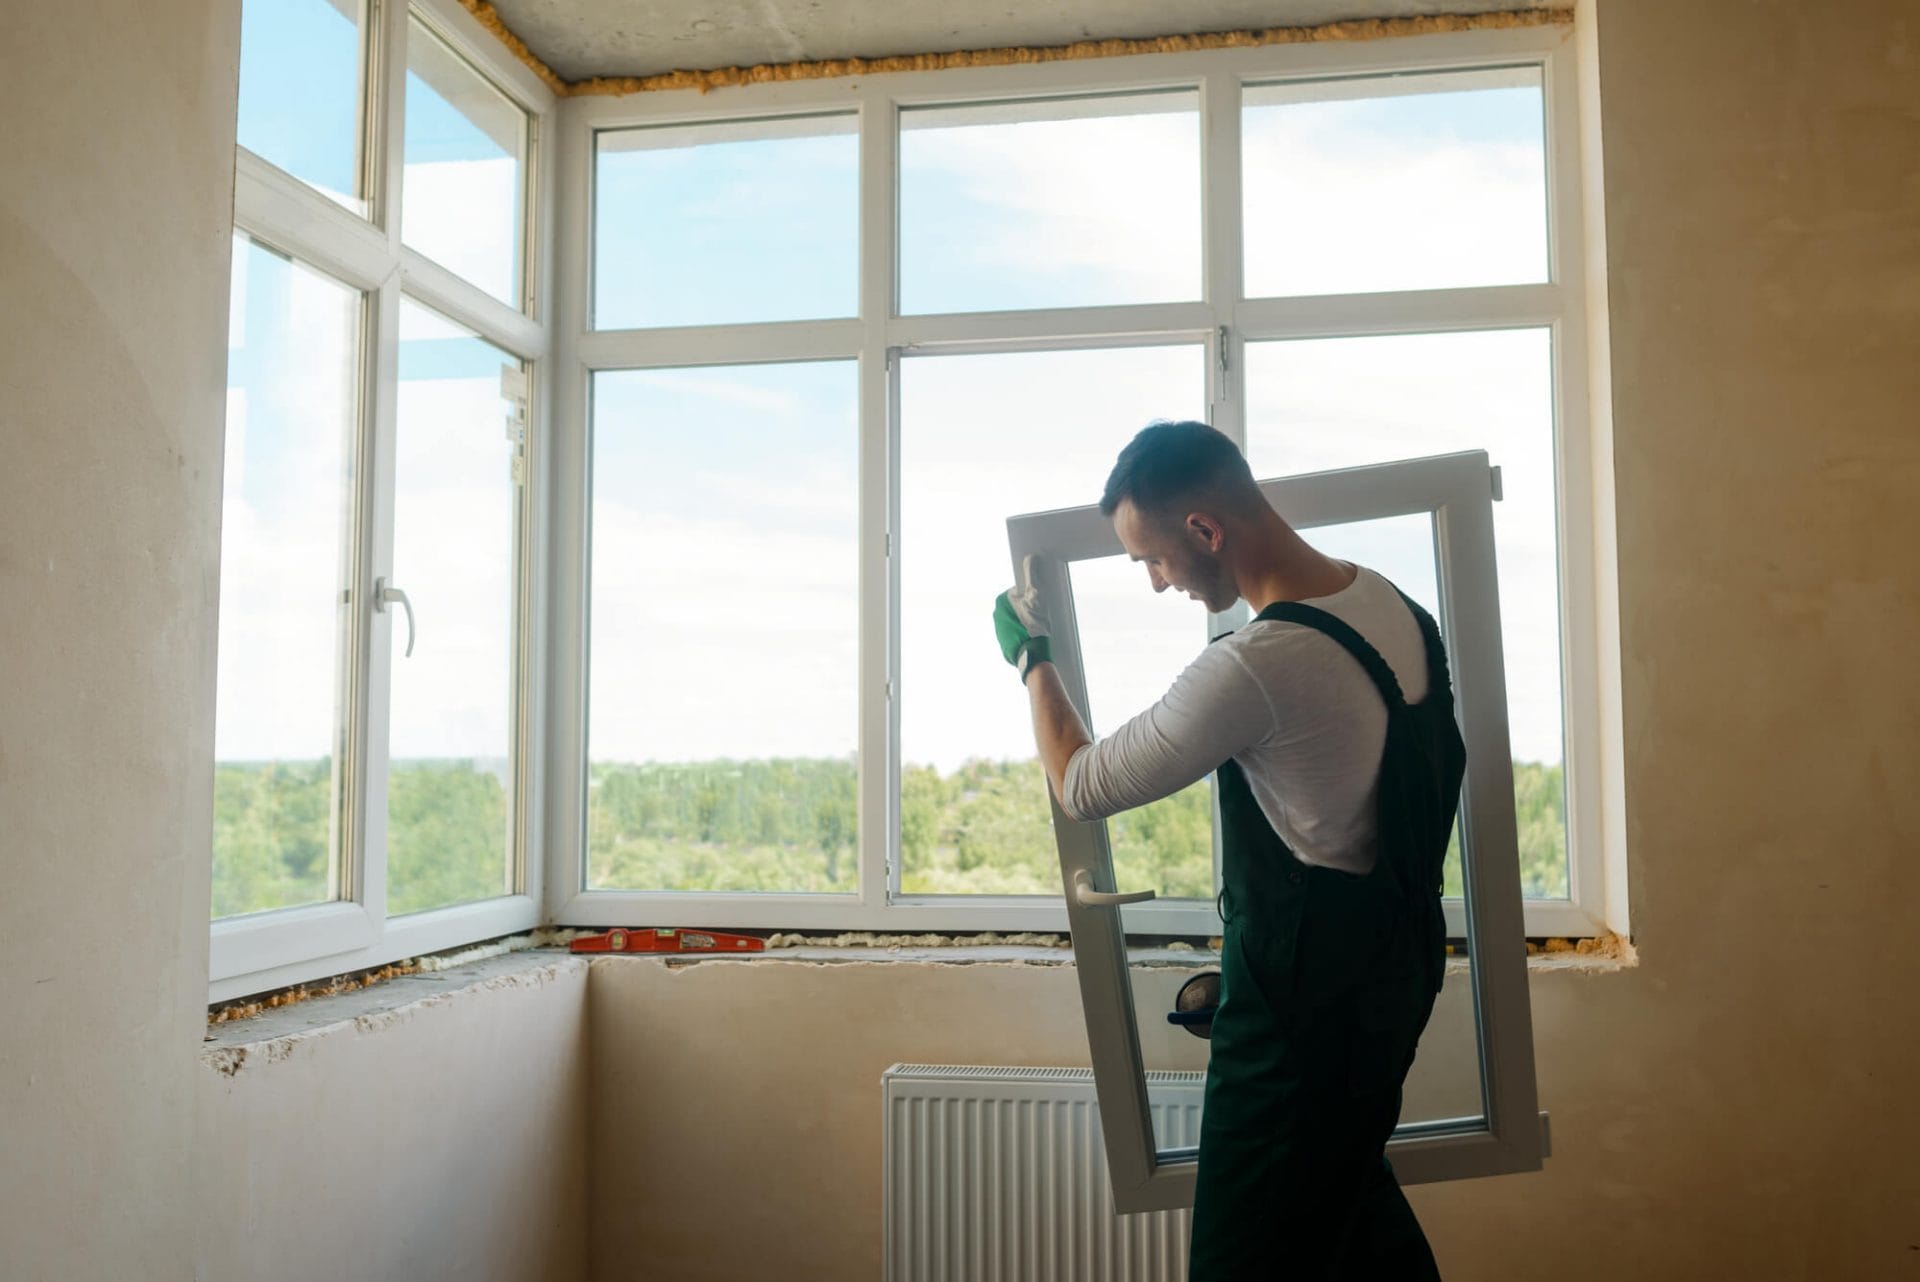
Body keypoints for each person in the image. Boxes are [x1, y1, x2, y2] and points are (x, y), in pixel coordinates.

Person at [992, 420, 1466, 1280]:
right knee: (1350, 1219)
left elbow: (1083, 783)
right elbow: (1350, 828)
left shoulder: (1259, 662)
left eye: (1153, 558)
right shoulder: (1395, 606)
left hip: (1301, 1031)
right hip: (1386, 988)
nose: (1156, 581)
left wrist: (1033, 660)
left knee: (1242, 1262)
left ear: (1206, 530)